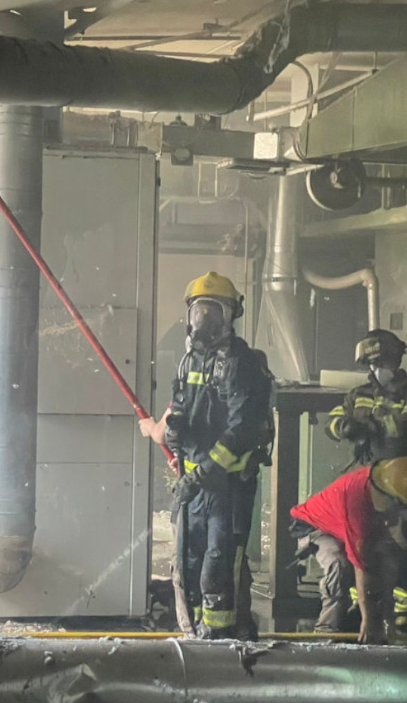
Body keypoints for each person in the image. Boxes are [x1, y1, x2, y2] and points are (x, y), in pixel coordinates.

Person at [138, 272, 273, 640]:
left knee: (220, 565)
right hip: (193, 483)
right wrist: (178, 433)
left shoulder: (243, 365)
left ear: (232, 317)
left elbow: (240, 433)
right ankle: (194, 636)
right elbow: (183, 409)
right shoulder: (188, 362)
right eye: (200, 312)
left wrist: (199, 476)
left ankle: (224, 640)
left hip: (228, 487)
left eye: (215, 313)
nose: (205, 322)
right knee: (187, 564)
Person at [325, 329, 407, 630]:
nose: (376, 370)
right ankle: (361, 605)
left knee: (405, 544)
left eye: (381, 363)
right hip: (365, 485)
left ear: (394, 360)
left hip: (401, 485)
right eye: (371, 364)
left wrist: (379, 423)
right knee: (362, 545)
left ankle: (406, 611)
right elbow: (333, 422)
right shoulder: (357, 395)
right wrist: (345, 427)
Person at [288, 457, 407, 644]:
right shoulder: (357, 500)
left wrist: (386, 617)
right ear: (391, 501)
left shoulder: (386, 484)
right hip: (313, 525)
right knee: (339, 564)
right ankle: (326, 633)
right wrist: (369, 622)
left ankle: (357, 616)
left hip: (341, 523)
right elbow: (361, 564)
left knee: (383, 556)